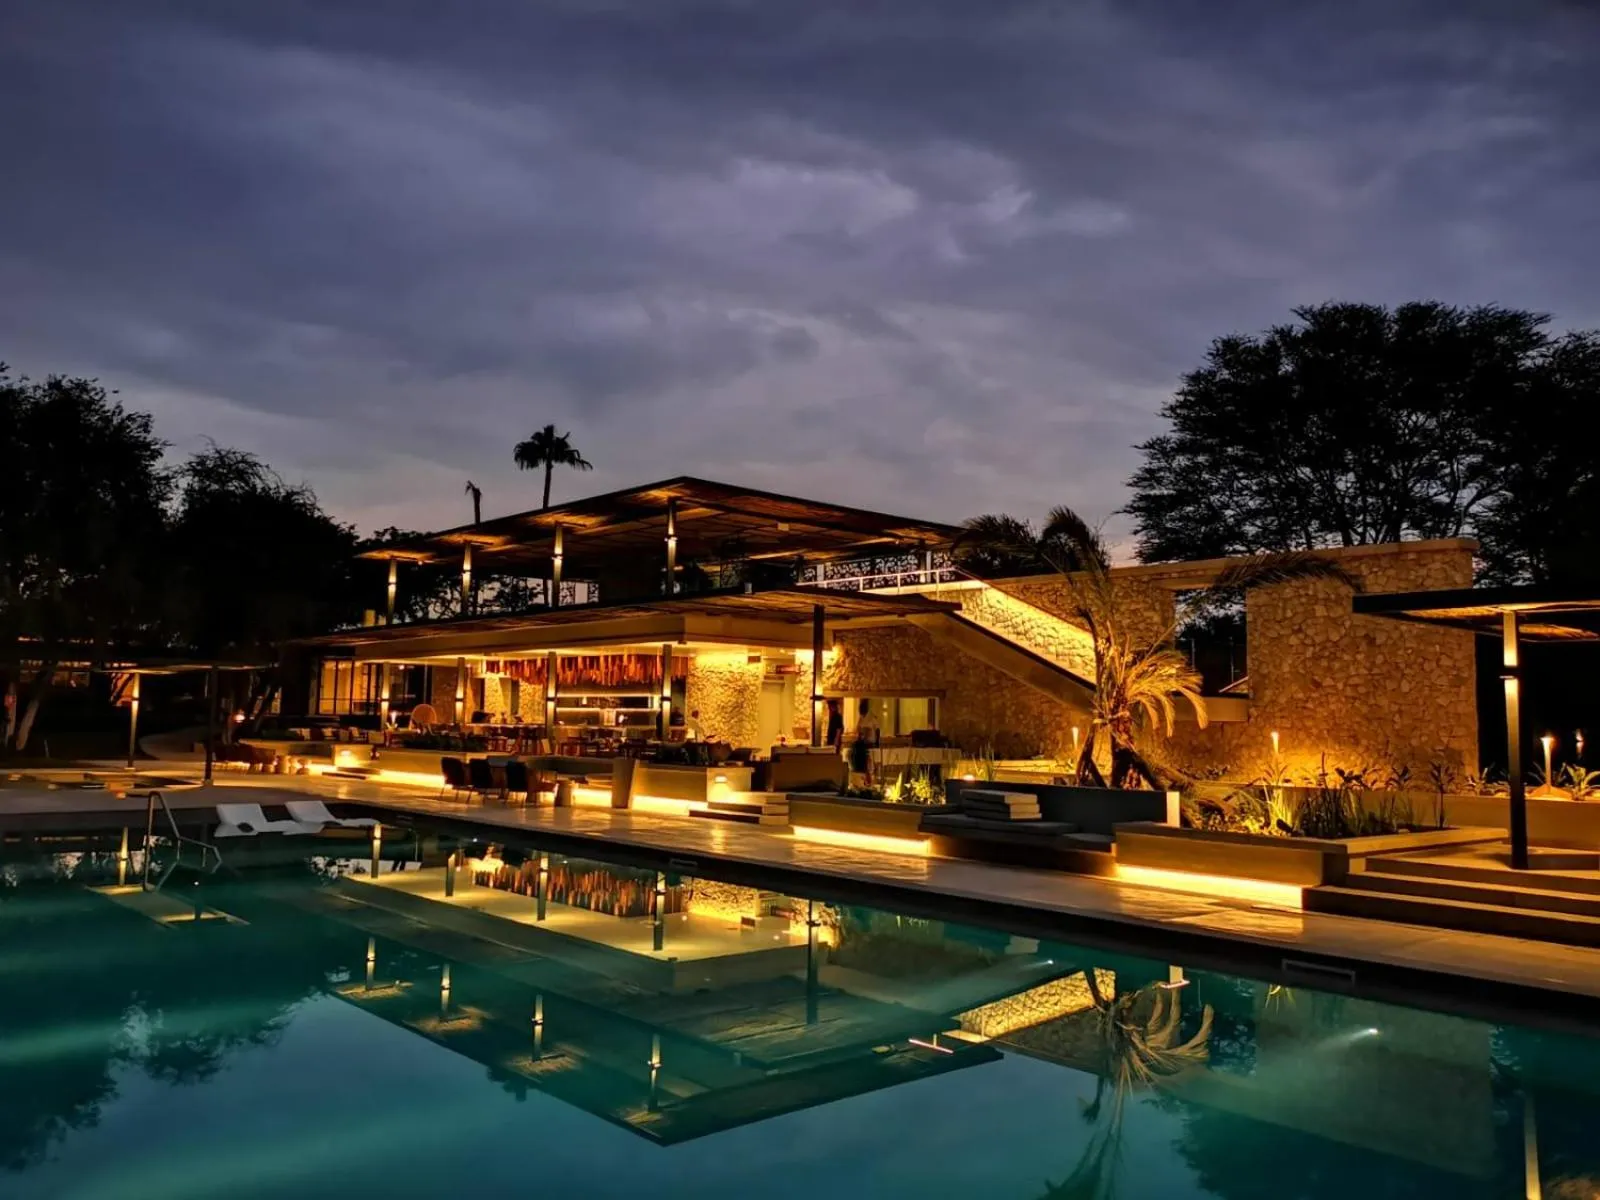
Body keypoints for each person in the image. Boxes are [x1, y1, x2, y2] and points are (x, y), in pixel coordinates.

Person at [849, 698, 880, 781]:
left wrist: (877, 742)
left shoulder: (872, 717)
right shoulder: (861, 718)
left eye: (862, 709)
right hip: (862, 744)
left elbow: (877, 730)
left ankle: (870, 777)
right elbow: (858, 729)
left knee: (870, 763)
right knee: (861, 762)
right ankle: (861, 775)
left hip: (870, 743)